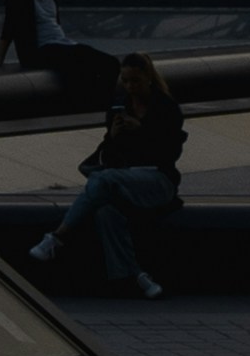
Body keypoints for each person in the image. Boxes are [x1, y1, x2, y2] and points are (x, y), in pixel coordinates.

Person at [27, 56, 186, 295]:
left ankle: (57, 237)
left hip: (158, 181)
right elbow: (109, 157)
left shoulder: (166, 107)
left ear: (149, 78)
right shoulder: (118, 108)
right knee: (105, 212)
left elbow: (170, 153)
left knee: (102, 178)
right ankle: (139, 277)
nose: (130, 86)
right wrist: (112, 136)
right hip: (124, 179)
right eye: (125, 81)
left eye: (136, 81)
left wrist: (142, 131)